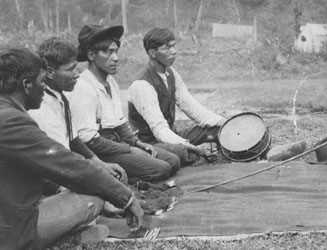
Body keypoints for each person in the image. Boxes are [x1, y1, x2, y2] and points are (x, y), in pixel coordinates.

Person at [0, 48, 143, 249]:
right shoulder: (11, 120)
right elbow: (67, 164)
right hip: (11, 231)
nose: (43, 88)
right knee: (95, 195)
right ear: (26, 85)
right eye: (41, 82)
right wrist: (125, 198)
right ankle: (60, 241)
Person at [67, 24, 180, 183]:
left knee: (173, 161)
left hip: (118, 144)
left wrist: (138, 143)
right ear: (91, 55)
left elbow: (120, 123)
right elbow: (89, 139)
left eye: (115, 51)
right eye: (108, 52)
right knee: (162, 169)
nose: (115, 58)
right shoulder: (84, 87)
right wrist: (130, 149)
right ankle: (118, 178)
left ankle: (127, 172)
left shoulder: (111, 82)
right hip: (101, 151)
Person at [29, 37, 127, 184]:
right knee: (107, 187)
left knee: (111, 178)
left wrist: (98, 162)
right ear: (50, 72)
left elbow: (74, 140)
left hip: (65, 164)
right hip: (52, 175)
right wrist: (96, 170)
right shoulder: (42, 106)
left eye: (76, 67)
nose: (77, 74)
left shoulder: (60, 96)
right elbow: (61, 157)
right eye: (70, 69)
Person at [128, 27, 225, 166]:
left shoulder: (171, 73)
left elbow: (193, 108)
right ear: (152, 53)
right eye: (167, 48)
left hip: (172, 135)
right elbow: (160, 130)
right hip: (151, 142)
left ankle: (200, 154)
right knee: (180, 153)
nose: (174, 51)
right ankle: (198, 155)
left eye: (173, 46)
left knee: (217, 131)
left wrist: (225, 122)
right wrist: (193, 147)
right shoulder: (141, 85)